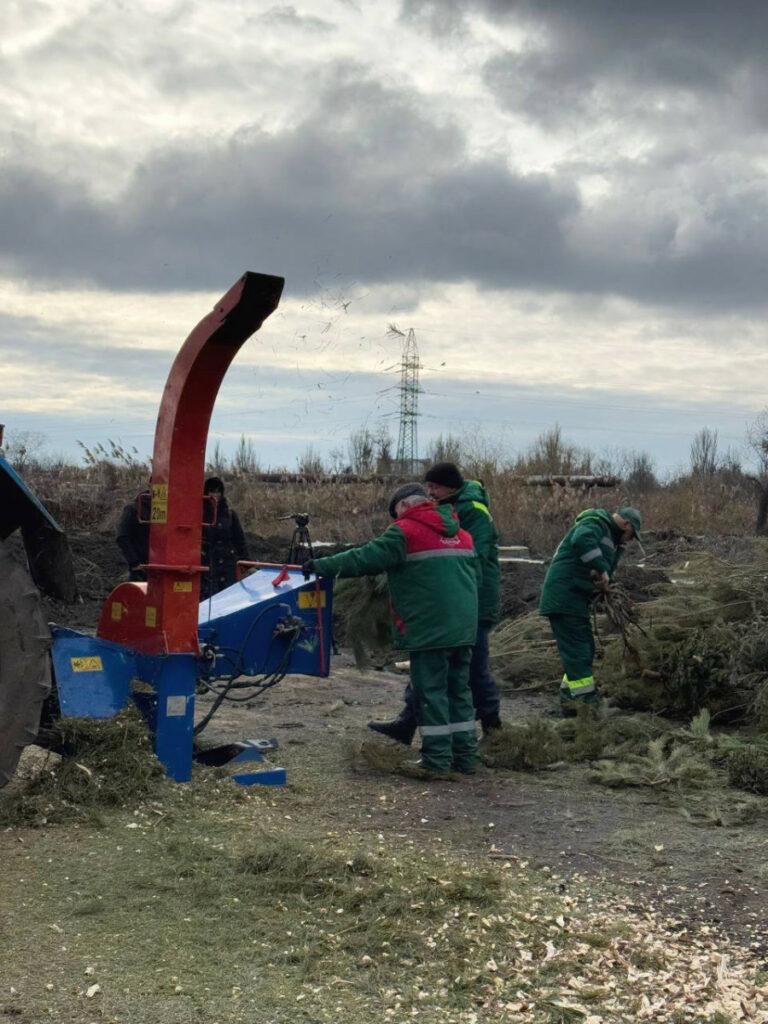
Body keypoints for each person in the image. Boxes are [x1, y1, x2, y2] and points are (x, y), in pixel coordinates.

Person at [305, 483, 480, 777]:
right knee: (458, 690)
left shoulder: (405, 532)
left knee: (431, 692)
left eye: (395, 514)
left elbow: (363, 558)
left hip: (429, 628)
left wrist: (320, 565)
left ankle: (437, 760)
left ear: (403, 507)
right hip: (463, 625)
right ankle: (466, 757)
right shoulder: (462, 535)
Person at [368, 462, 502, 744]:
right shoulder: (449, 509)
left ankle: (493, 728)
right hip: (456, 600)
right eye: (427, 487)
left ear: (450, 486)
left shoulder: (471, 512)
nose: (429, 492)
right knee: (428, 665)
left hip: (471, 601)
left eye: (434, 487)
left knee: (474, 668)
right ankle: (407, 723)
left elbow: (470, 558)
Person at [539, 506, 642, 714]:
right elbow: (581, 540)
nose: (630, 540)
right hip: (565, 596)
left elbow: (603, 570)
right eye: (632, 535)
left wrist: (610, 563)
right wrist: (601, 568)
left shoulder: (610, 538)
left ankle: (570, 703)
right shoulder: (596, 524)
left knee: (585, 649)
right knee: (579, 651)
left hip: (574, 598)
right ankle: (587, 705)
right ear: (626, 525)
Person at [200, 477, 249, 599]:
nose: (215, 495)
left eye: (218, 491)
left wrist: (246, 563)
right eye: (212, 491)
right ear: (206, 492)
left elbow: (239, 540)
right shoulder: (199, 513)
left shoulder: (230, 514)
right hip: (208, 563)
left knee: (228, 597)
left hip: (228, 564)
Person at [116, 488, 151, 581]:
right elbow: (122, 537)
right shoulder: (133, 509)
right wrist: (135, 562)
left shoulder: (172, 511)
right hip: (141, 569)